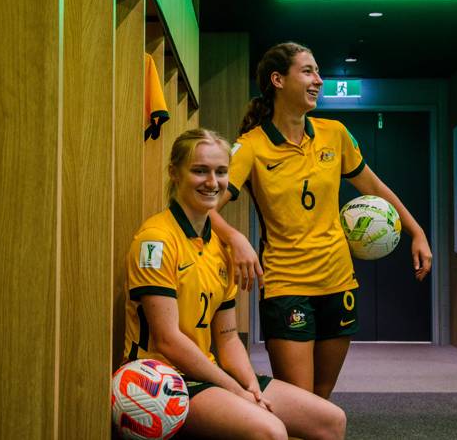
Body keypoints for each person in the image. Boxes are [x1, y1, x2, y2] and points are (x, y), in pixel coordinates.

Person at [209, 42, 433, 399]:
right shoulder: (250, 146)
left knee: (322, 398)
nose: (319, 80)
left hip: (338, 283)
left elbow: (374, 187)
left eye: (318, 72)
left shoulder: (335, 134)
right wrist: (235, 238)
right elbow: (206, 208)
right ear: (278, 79)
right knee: (300, 400)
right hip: (287, 286)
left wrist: (416, 231)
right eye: (308, 71)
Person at [123, 128, 346, 439]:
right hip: (161, 379)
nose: (212, 182)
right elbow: (168, 340)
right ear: (174, 173)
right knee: (270, 431)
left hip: (209, 373)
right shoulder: (157, 240)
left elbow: (227, 339)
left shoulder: (221, 248)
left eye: (221, 172)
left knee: (331, 420)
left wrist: (249, 385)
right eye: (200, 171)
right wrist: (233, 389)